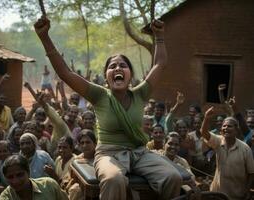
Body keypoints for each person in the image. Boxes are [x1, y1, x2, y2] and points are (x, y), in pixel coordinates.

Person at [34, 16, 182, 200]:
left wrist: (159, 36)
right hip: (108, 155)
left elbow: (160, 63)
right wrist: (44, 37)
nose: (118, 68)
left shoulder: (141, 93)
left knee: (173, 177)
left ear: (130, 75)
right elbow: (65, 73)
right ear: (106, 77)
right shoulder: (99, 95)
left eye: (123, 65)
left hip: (140, 153)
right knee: (114, 179)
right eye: (113, 66)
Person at [200, 107, 254, 200]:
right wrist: (206, 118)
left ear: (236, 130)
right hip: (217, 194)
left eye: (229, 126)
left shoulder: (245, 149)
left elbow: (251, 173)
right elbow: (204, 133)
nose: (226, 128)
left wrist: (247, 190)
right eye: (224, 126)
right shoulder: (218, 141)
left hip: (236, 196)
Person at [0, 154, 68, 200]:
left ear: (28, 172)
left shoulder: (49, 185)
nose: (15, 181)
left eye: (19, 175)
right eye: (10, 177)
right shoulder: (6, 197)